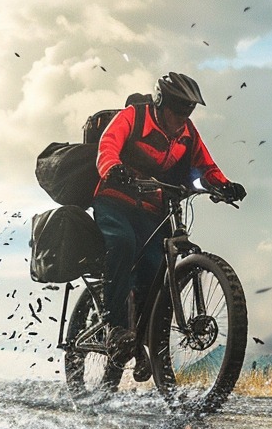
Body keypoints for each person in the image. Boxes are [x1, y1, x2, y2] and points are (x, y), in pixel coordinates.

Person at [92, 71, 247, 373]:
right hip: (115, 201)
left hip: (152, 209)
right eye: (177, 110)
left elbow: (206, 165)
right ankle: (114, 326)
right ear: (161, 102)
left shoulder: (187, 133)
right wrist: (114, 167)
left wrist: (224, 185)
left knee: (155, 269)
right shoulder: (133, 117)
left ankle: (141, 339)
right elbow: (107, 146)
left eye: (188, 111)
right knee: (123, 244)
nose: (182, 117)